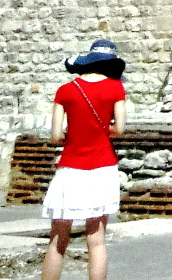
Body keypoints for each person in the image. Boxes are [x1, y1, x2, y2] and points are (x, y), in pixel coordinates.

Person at [41, 40, 127, 280]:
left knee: (58, 239)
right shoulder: (116, 88)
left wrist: (71, 135)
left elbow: (55, 135)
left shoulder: (65, 90)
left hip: (71, 166)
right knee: (96, 240)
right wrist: (104, 129)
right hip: (103, 165)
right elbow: (120, 128)